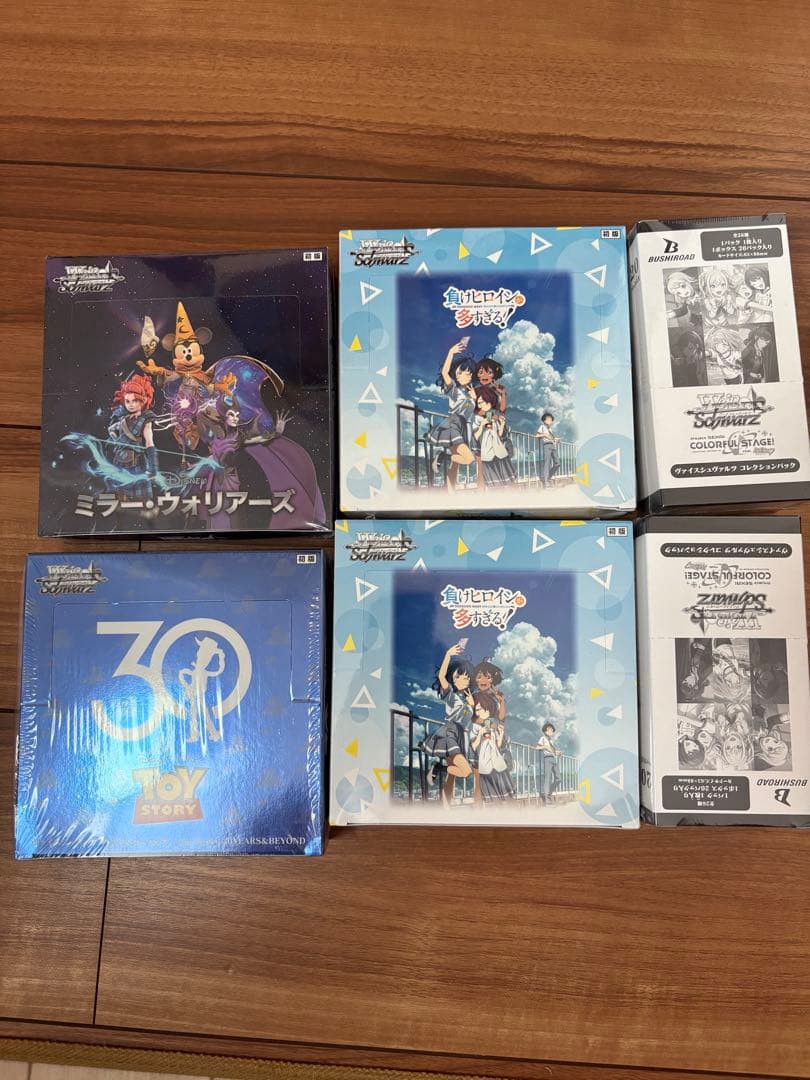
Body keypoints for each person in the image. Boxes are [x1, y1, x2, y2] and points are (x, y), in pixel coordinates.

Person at [423, 642, 475, 808]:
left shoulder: (467, 699)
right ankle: (438, 768)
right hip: (450, 733)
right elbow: (441, 677)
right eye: (462, 676)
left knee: (451, 777)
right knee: (466, 771)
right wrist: (448, 654)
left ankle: (446, 809)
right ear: (454, 678)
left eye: (467, 678)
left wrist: (471, 706)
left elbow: (468, 722)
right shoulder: (451, 696)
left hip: (461, 736)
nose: (465, 680)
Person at [424, 341, 477, 490]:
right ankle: (443, 456)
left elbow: (470, 414)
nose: (465, 375)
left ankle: (450, 493)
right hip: (454, 424)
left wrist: (473, 398)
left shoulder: (469, 394)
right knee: (469, 459)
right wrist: (451, 352)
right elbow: (444, 373)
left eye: (468, 373)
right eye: (460, 372)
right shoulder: (454, 390)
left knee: (455, 465)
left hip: (463, 427)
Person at [107, 373, 158, 499]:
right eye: (128, 401)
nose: (131, 404)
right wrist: (116, 439)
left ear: (143, 400)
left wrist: (153, 467)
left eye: (135, 401)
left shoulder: (146, 419)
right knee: (118, 499)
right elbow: (111, 429)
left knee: (141, 500)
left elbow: (149, 442)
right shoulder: (121, 418)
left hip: (137, 463)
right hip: (119, 462)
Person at [469, 692, 514, 803]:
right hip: (485, 763)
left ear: (488, 709)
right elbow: (473, 746)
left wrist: (501, 734)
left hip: (497, 761)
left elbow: (497, 745)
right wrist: (480, 734)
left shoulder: (491, 724)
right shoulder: (475, 726)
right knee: (491, 795)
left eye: (481, 709)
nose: (478, 712)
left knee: (503, 795)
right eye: (476, 710)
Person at [472, 387, 516, 487]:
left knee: (506, 482)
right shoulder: (477, 418)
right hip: (487, 453)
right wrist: (482, 425)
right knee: (494, 483)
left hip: (499, 451)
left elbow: (499, 434)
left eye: (482, 402)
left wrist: (502, 424)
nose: (480, 405)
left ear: (490, 402)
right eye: (478, 403)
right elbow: (475, 436)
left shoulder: (494, 416)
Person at [536, 722, 561, 804]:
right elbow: (537, 747)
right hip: (547, 759)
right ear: (545, 731)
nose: (551, 732)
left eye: (552, 730)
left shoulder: (551, 741)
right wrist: (545, 747)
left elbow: (553, 751)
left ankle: (549, 794)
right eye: (550, 730)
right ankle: (547, 800)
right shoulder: (542, 738)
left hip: (554, 759)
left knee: (558, 778)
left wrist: (557, 752)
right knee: (548, 779)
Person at [536, 411, 560, 488]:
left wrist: (556, 439)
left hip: (552, 445)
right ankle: (546, 483)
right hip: (546, 445)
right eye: (549, 420)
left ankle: (548, 477)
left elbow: (552, 438)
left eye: (551, 420)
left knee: (557, 463)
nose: (551, 421)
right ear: (544, 421)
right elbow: (537, 435)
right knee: (547, 464)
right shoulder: (542, 427)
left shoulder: (550, 429)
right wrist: (544, 434)